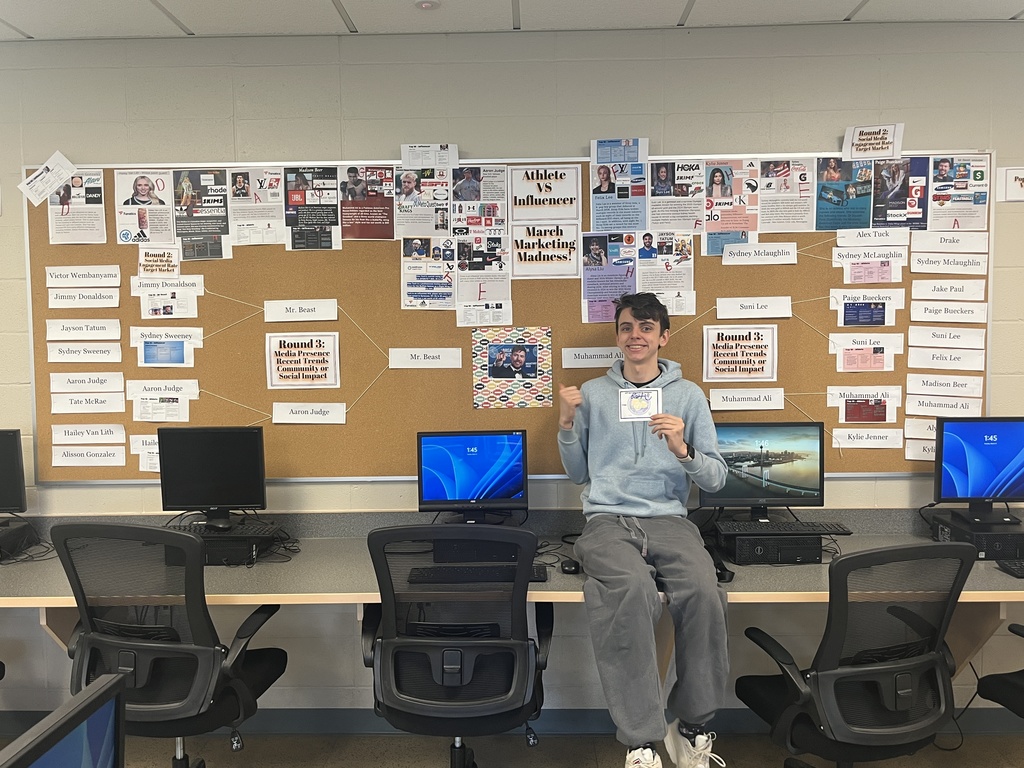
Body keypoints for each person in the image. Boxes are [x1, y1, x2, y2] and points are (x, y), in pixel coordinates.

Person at [557, 292, 728, 768]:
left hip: (670, 519)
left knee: (703, 591)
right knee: (631, 591)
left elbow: (715, 478)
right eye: (628, 327)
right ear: (617, 336)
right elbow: (576, 473)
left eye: (647, 328)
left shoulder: (688, 395)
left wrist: (682, 449)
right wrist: (567, 424)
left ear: (663, 337)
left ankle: (692, 725)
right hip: (606, 519)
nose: (637, 336)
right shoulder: (592, 393)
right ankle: (639, 740)